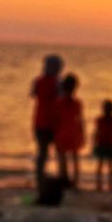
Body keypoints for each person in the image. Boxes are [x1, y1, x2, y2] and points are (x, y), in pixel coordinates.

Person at [31, 54, 63, 187]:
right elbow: (61, 98)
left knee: (42, 153)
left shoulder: (38, 81)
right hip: (51, 123)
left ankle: (40, 178)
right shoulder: (56, 83)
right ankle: (59, 178)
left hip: (40, 122)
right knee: (57, 152)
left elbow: (33, 94)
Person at [55, 73, 85, 188]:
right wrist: (82, 134)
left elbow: (56, 119)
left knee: (62, 159)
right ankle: (75, 182)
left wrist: (54, 133)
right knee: (75, 158)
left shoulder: (59, 102)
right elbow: (80, 120)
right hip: (73, 133)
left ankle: (63, 179)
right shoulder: (77, 103)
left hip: (62, 132)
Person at [93, 99, 112, 192]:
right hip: (107, 144)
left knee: (102, 166)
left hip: (104, 144)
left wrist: (94, 144)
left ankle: (100, 185)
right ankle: (109, 186)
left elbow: (96, 133)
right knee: (109, 166)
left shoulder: (104, 120)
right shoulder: (111, 121)